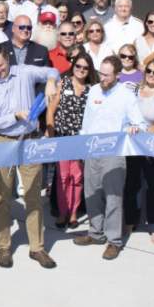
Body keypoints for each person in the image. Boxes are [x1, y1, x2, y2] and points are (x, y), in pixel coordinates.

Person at [0, 46, 59, 268]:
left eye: (0, 65)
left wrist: (51, 81)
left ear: (8, 60)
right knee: (2, 196)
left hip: (30, 140)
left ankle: (37, 247)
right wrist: (14, 116)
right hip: (2, 141)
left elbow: (52, 71)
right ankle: (3, 246)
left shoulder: (24, 71)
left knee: (33, 194)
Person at [73, 56, 147, 260]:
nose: (102, 78)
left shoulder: (126, 95)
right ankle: (95, 233)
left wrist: (134, 128)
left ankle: (114, 241)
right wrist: (83, 146)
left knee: (113, 197)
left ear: (118, 75)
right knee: (92, 193)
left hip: (114, 153)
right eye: (101, 73)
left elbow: (141, 124)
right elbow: (87, 120)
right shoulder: (94, 90)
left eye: (107, 75)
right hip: (92, 150)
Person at [123, 58, 154, 243]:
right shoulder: (132, 89)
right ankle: (130, 221)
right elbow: (122, 113)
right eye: (149, 71)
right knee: (132, 184)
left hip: (152, 146)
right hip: (132, 144)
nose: (151, 75)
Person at [46, 52, 96, 228]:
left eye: (85, 67)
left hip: (80, 141)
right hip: (62, 137)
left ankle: (73, 212)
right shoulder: (64, 83)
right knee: (63, 177)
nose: (81, 70)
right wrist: (51, 133)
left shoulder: (92, 89)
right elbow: (51, 110)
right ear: (73, 66)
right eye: (78, 66)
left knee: (77, 177)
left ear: (89, 70)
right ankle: (63, 212)